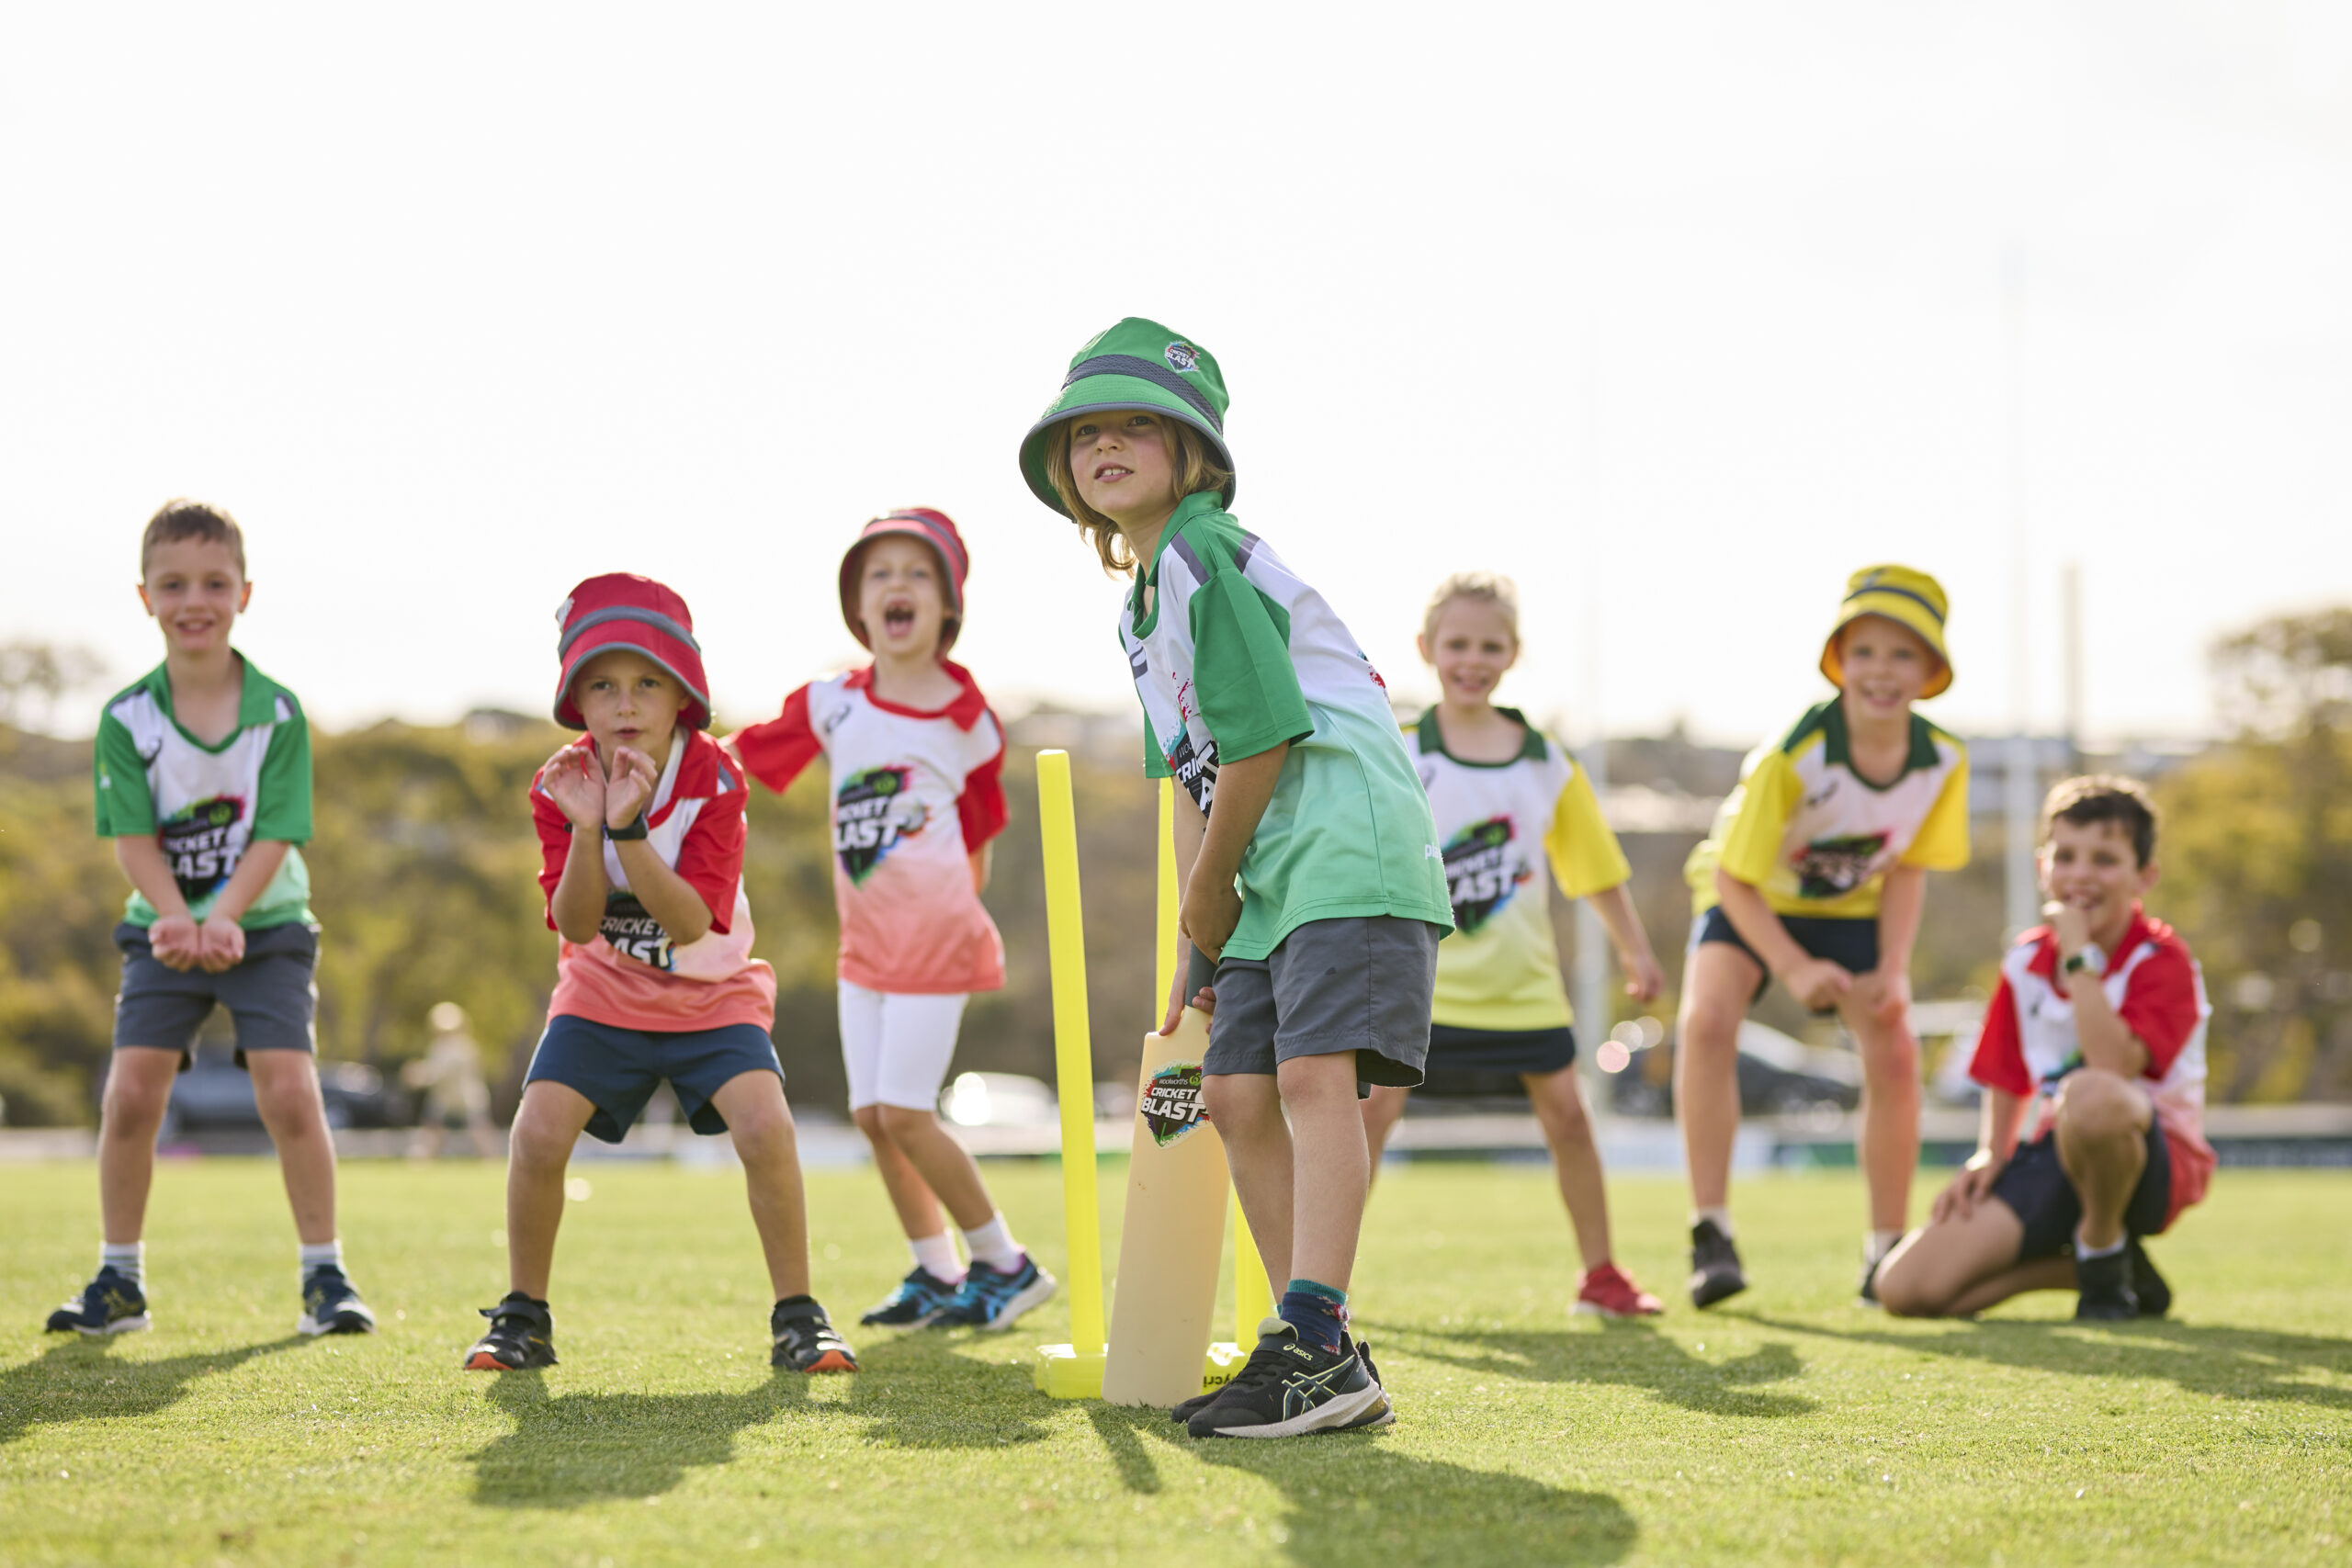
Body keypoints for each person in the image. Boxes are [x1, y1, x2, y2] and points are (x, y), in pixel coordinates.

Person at [1019, 318, 1453, 1438]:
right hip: (1265, 864)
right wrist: (1193, 940)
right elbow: (1188, 779)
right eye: (1083, 435)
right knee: (1232, 1093)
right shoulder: (1142, 600)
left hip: (1342, 844)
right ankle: (1322, 1354)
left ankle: (1309, 1340)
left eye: (1134, 427)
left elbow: (1261, 740)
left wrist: (1214, 891)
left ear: (1194, 453)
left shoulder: (1205, 551)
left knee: (1314, 1082)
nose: (1103, 445)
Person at [463, 573, 855, 1374]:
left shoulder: (715, 776)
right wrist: (586, 829)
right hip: (603, 990)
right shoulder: (560, 781)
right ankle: (523, 1314)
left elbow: (687, 923)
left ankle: (798, 1313)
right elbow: (575, 924)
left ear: (683, 695)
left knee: (767, 1128)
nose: (627, 704)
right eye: (602, 685)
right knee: (536, 1133)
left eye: (647, 682)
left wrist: (629, 828)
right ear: (577, 699)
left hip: (712, 990)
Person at [49, 500, 374, 1338]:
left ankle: (324, 1277)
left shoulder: (279, 712)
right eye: (174, 583)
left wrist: (225, 915)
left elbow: (276, 831)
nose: (195, 599)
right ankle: (120, 1280)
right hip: (162, 929)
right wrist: (177, 919)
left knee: (291, 1092)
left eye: (215, 582)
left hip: (264, 926)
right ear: (144, 595)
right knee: (130, 1095)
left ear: (245, 592)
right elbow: (132, 838)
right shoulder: (128, 718)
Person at [729, 510, 1054, 1332]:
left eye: (918, 572)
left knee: (907, 1112)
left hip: (936, 942)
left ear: (948, 607)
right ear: (859, 607)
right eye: (879, 574)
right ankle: (937, 1270)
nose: (898, 585)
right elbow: (746, 755)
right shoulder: (833, 700)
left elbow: (979, 839)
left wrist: (944, 914)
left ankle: (1007, 1263)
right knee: (875, 1116)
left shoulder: (968, 721)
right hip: (863, 946)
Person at [1361, 573, 1668, 1317]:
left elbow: (1595, 869)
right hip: (1418, 984)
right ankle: (1320, 1288)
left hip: (1522, 989)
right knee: (1369, 1120)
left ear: (1514, 653)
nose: (1473, 658)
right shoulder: (1396, 749)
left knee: (1570, 1119)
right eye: (1457, 643)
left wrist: (1636, 949)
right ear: (1427, 649)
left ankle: (1601, 1275)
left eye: (1490, 645)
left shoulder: (1545, 762)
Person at [1676, 566, 1969, 1308]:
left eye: (1903, 654)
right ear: (1839, 659)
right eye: (1865, 649)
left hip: (1854, 908)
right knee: (1708, 1022)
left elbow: (1906, 870)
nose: (1882, 669)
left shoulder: (1943, 760)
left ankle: (1885, 1253)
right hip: (1754, 896)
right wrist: (1793, 964)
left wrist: (1893, 969)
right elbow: (1738, 880)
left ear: (1930, 670)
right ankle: (1710, 1230)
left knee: (1895, 1044)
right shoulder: (1794, 753)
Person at [1873, 777, 2212, 1319]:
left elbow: (2112, 1067)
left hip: (2151, 1162)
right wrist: (1993, 1153)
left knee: (2091, 1094)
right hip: (2058, 1154)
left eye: (2104, 859)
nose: (2080, 873)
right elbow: (2006, 1074)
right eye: (2066, 855)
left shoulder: (2161, 959)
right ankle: (2102, 1268)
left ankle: (2102, 1249)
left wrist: (2078, 953)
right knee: (1908, 1290)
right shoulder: (2025, 961)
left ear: (2143, 876)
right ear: (2042, 867)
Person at [402, 1001, 499, 1159]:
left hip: (467, 1098)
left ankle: (489, 1159)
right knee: (432, 1128)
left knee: (479, 1130)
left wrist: (420, 1076)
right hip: (443, 1098)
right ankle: (423, 1157)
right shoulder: (436, 1047)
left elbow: (442, 1072)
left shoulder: (465, 1048)